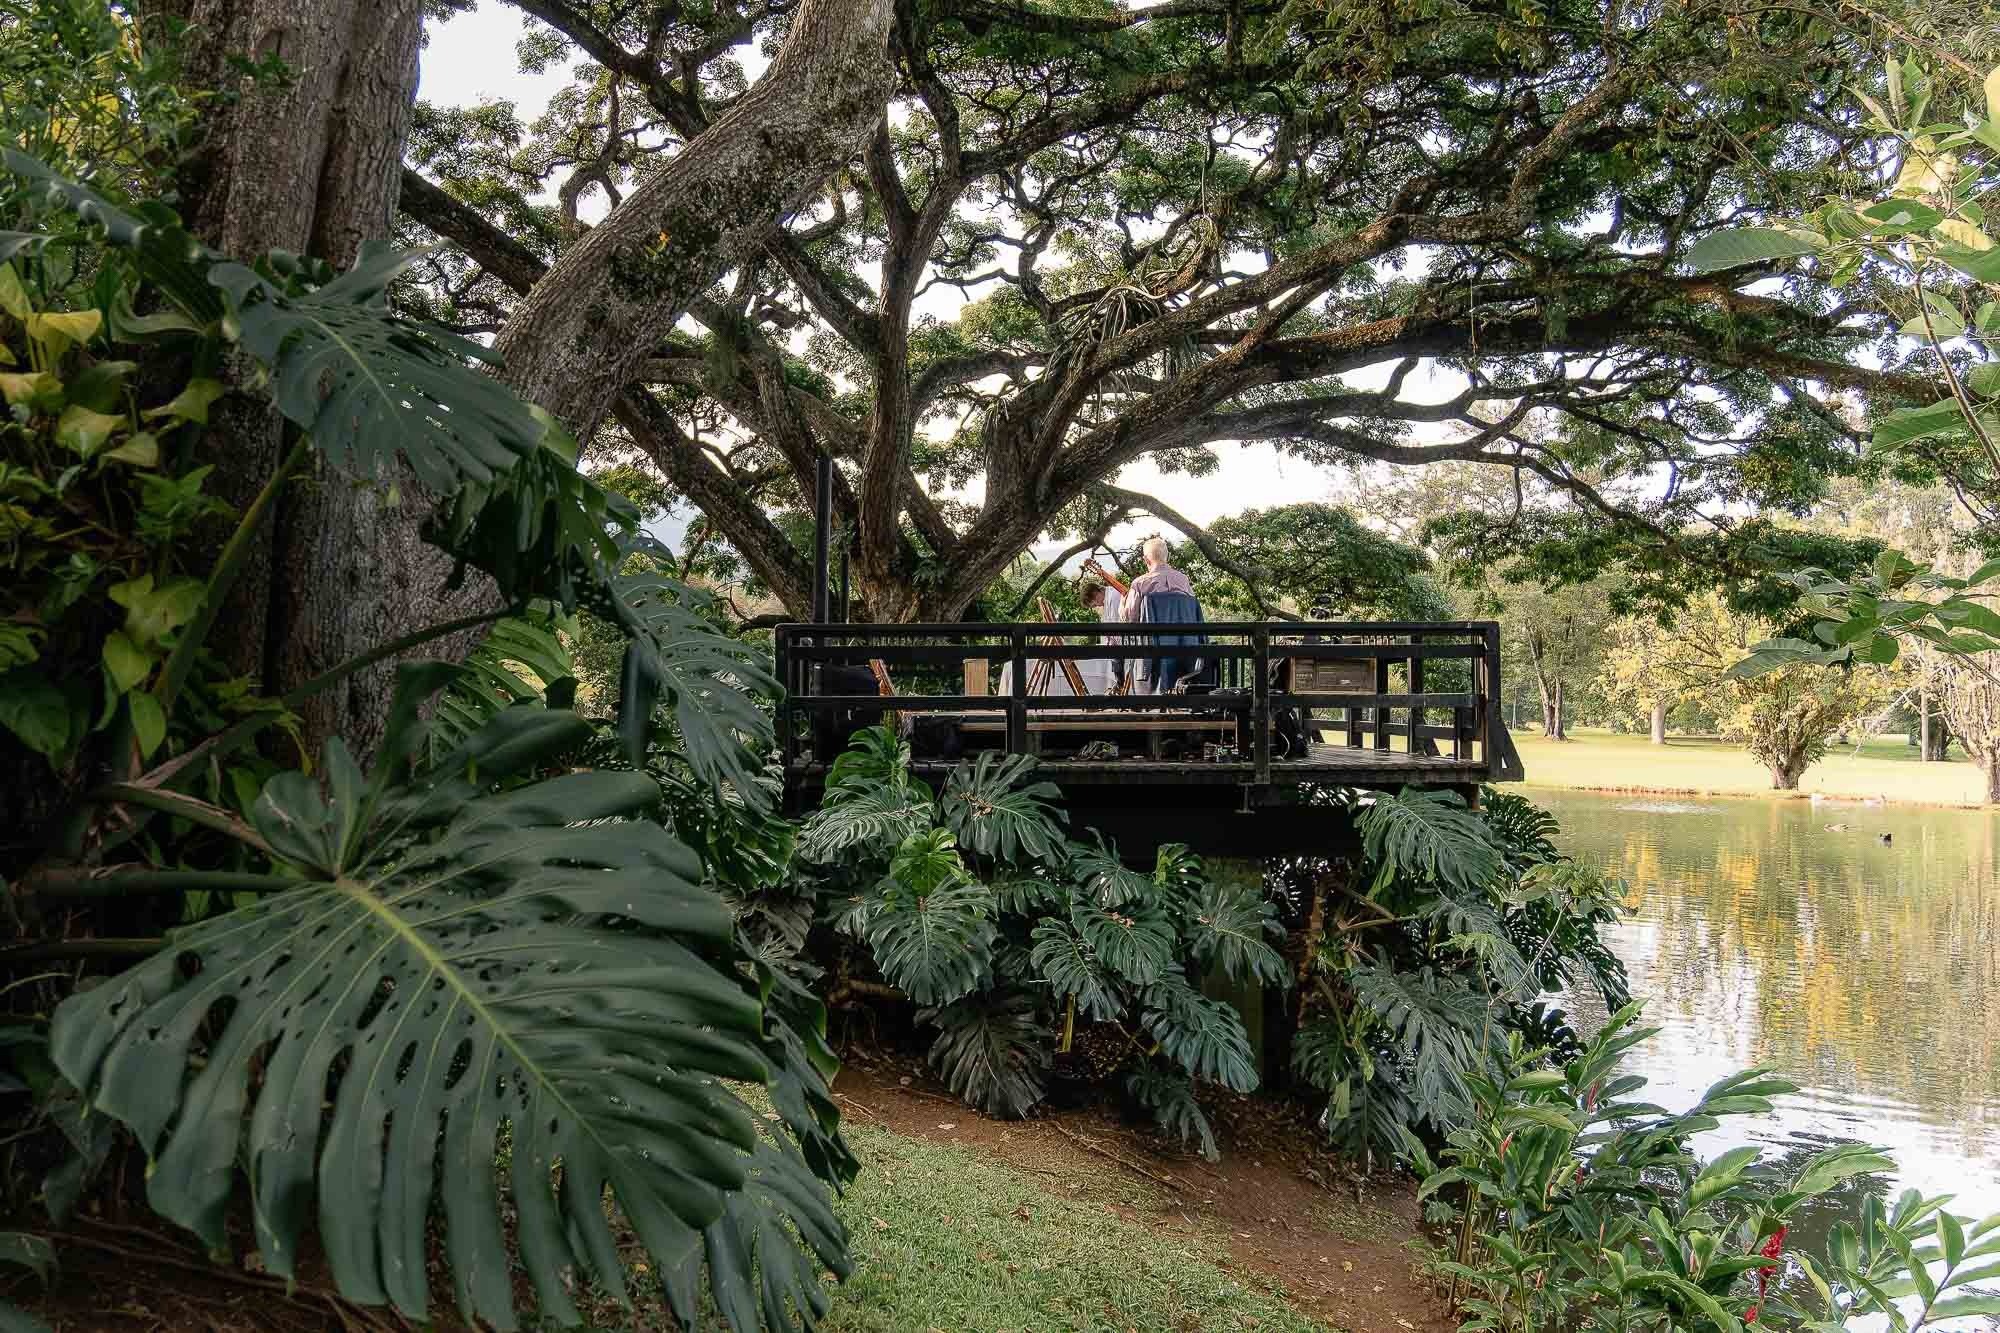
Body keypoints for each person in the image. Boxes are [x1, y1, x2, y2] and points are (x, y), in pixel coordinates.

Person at [1121, 536, 1205, 693]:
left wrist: (1122, 604)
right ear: (1168, 557)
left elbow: (1130, 618)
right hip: (1185, 655)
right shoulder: (1184, 580)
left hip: (1153, 658)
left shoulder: (1139, 584)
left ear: (1146, 559)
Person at [1077, 576, 1124, 694]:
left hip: (1125, 640)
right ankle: (1120, 687)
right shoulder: (1107, 599)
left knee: (1114, 656)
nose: (1098, 605)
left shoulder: (1113, 597)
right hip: (1119, 641)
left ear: (1096, 593)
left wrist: (1109, 642)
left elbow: (1116, 624)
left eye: (1095, 604)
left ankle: (1121, 687)